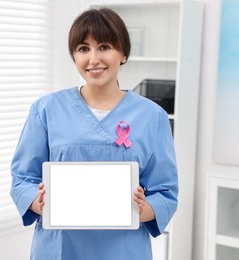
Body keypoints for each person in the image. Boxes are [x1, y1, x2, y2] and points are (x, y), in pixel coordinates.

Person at [10, 8, 178, 260]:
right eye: (83, 49)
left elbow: (165, 192)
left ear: (123, 53)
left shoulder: (152, 116)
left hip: (124, 249)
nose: (93, 59)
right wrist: (40, 201)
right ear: (74, 56)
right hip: (60, 248)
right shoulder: (46, 110)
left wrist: (141, 209)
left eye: (104, 46)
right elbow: (22, 179)